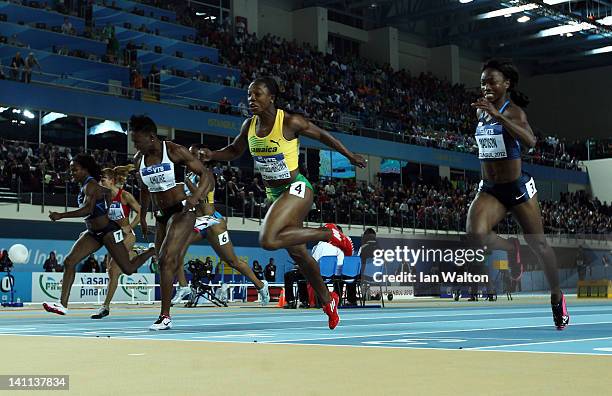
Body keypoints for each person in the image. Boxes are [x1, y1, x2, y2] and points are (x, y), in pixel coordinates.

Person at [202, 77, 366, 329]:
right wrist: (213, 155)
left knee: (267, 240)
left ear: (271, 98)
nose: (251, 100)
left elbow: (323, 136)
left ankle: (327, 233)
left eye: (257, 95)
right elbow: (235, 151)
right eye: (249, 95)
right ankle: (328, 300)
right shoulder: (249, 126)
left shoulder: (289, 121)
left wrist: (349, 155)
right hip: (276, 194)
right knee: (299, 253)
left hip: (297, 187)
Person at [467, 59, 568, 329]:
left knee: (539, 244)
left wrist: (499, 116)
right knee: (475, 233)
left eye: (492, 81)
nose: (486, 86)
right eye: (482, 82)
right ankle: (511, 248)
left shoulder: (514, 113)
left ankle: (557, 295)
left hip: (517, 189)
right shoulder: (480, 112)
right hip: (490, 189)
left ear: (506, 84)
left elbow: (531, 142)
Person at [43, 154, 155, 315]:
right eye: (70, 169)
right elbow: (101, 203)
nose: (72, 172)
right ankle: (62, 304)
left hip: (109, 233)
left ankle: (152, 251)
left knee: (128, 269)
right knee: (69, 261)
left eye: (75, 169)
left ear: (85, 170)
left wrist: (62, 215)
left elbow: (87, 210)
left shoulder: (91, 185)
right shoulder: (91, 187)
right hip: (93, 233)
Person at [132, 115, 210, 330]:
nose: (135, 146)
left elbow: (206, 175)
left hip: (182, 210)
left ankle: (165, 316)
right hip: (161, 215)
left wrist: (194, 198)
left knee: (167, 258)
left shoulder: (174, 151)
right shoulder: (139, 159)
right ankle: (173, 301)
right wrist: (142, 217)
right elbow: (144, 190)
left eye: (137, 141)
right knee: (162, 262)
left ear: (151, 137)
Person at [171, 143, 270, 305]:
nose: (189, 156)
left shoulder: (207, 175)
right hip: (197, 222)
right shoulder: (188, 174)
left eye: (194, 154)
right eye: (189, 154)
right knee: (176, 248)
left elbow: (200, 198)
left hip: (212, 222)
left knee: (232, 261)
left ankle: (260, 285)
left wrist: (187, 183)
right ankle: (183, 287)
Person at [91, 165, 142, 319]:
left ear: (112, 181)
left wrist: (130, 227)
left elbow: (140, 212)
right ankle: (105, 307)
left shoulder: (124, 196)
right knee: (112, 273)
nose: (100, 183)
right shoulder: (102, 199)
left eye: (103, 180)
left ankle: (104, 306)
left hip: (127, 236)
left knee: (114, 267)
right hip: (112, 238)